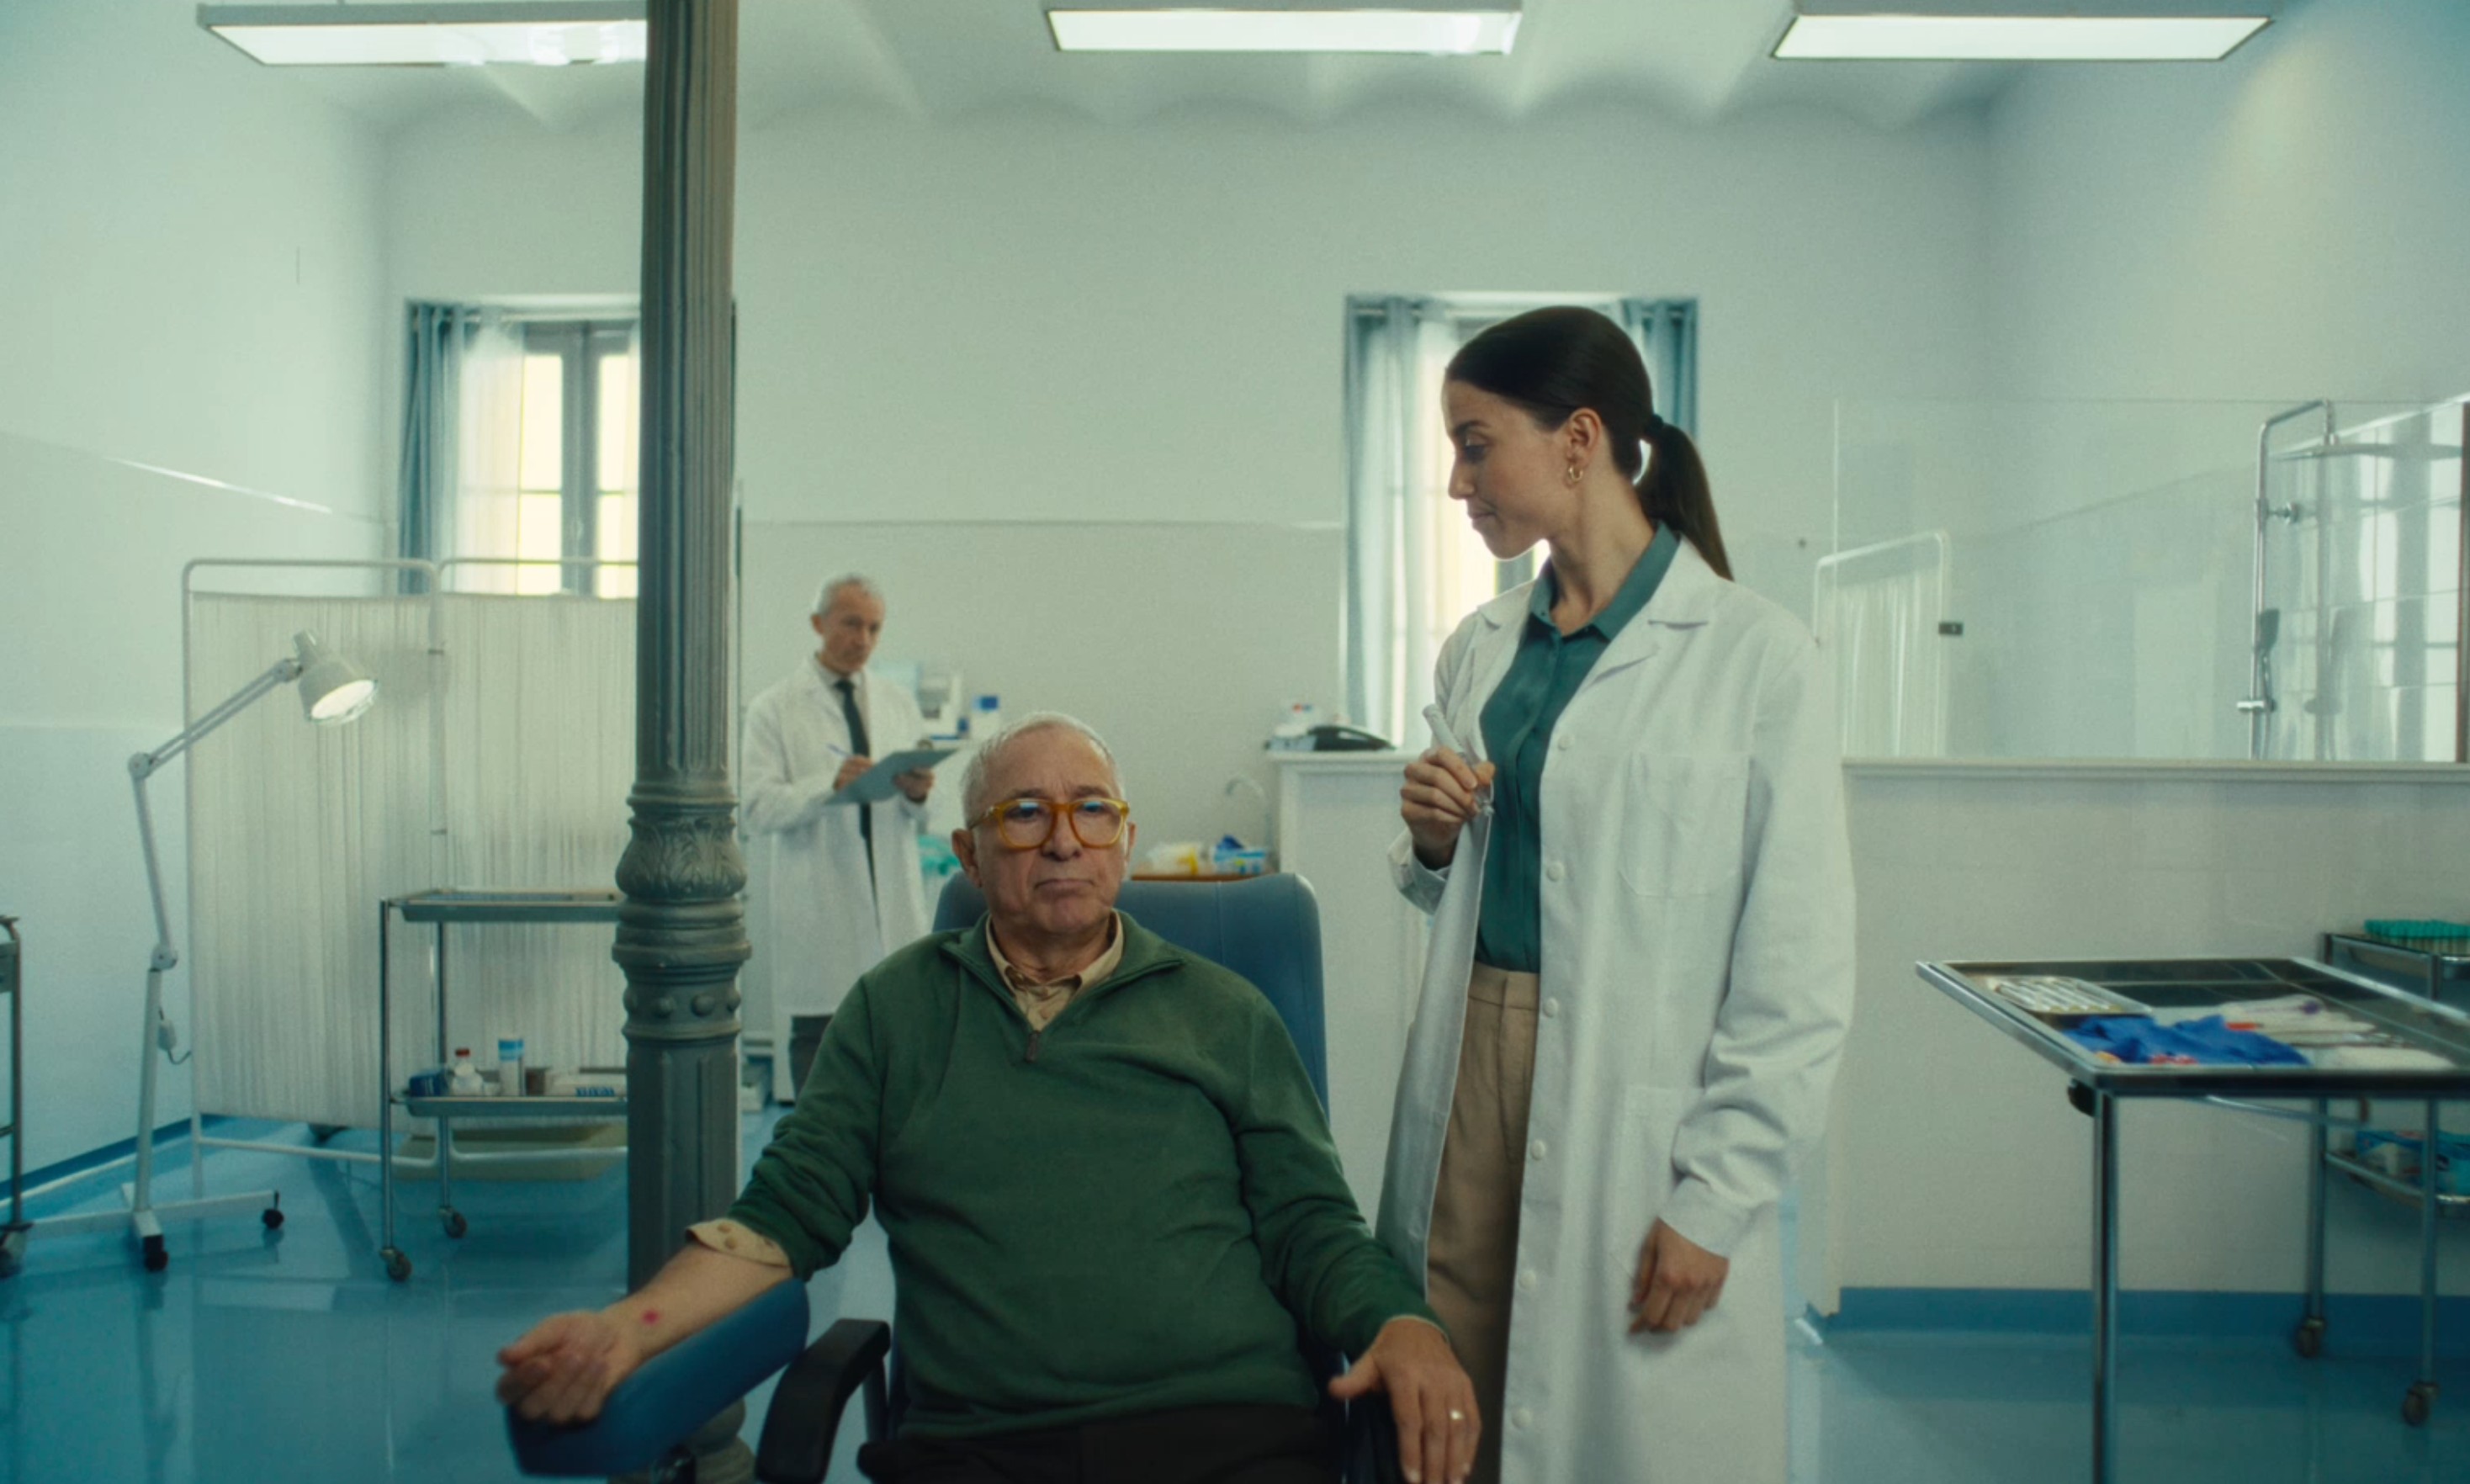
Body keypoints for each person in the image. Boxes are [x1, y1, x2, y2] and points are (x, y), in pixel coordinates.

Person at [501, 714, 1483, 1484]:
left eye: (1091, 811)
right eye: (1023, 814)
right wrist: (622, 1330)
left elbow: (1312, 1225)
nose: (1062, 842)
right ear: (968, 857)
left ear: (1124, 842)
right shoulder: (896, 1010)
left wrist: (1403, 1326)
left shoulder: (1223, 1011)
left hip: (1224, 1434)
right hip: (978, 1449)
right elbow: (782, 1217)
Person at [1381, 307, 1855, 1484]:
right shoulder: (1482, 646)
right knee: (1454, 1402)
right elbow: (1459, 882)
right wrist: (1430, 843)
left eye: (1475, 446)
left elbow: (1796, 966)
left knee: (1622, 1428)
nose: (1457, 483)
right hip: (1472, 1068)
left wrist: (1717, 1198)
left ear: (1580, 439)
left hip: (1635, 1104)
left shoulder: (1756, 658)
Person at [743, 574, 937, 1087]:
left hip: (890, 900)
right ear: (818, 623)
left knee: (898, 1048)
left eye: (874, 628)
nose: (863, 640)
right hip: (820, 910)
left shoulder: (898, 703)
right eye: (852, 624)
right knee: (821, 1051)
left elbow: (924, 817)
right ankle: (817, 1141)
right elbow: (757, 808)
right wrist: (826, 786)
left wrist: (919, 792)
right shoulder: (774, 708)